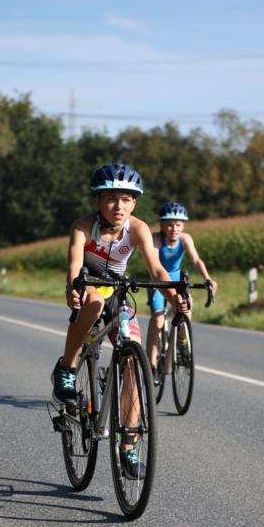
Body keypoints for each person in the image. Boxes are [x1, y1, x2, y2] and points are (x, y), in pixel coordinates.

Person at [50, 162, 186, 478]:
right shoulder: (83, 227)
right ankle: (67, 368)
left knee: (133, 360)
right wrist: (73, 289)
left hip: (118, 292)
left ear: (134, 202)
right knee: (95, 303)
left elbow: (157, 270)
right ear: (97, 200)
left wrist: (174, 298)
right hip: (89, 286)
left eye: (126, 199)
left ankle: (129, 446)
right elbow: (74, 264)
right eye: (111, 198)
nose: (119, 206)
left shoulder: (137, 228)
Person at [146, 202, 216, 381]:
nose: (174, 229)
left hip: (177, 280)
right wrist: (155, 285)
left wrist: (207, 278)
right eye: (169, 224)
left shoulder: (185, 239)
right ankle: (151, 364)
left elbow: (196, 260)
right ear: (161, 224)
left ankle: (183, 343)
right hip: (158, 281)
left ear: (183, 225)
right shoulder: (155, 239)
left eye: (178, 224)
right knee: (158, 318)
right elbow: (155, 263)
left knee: (185, 311)